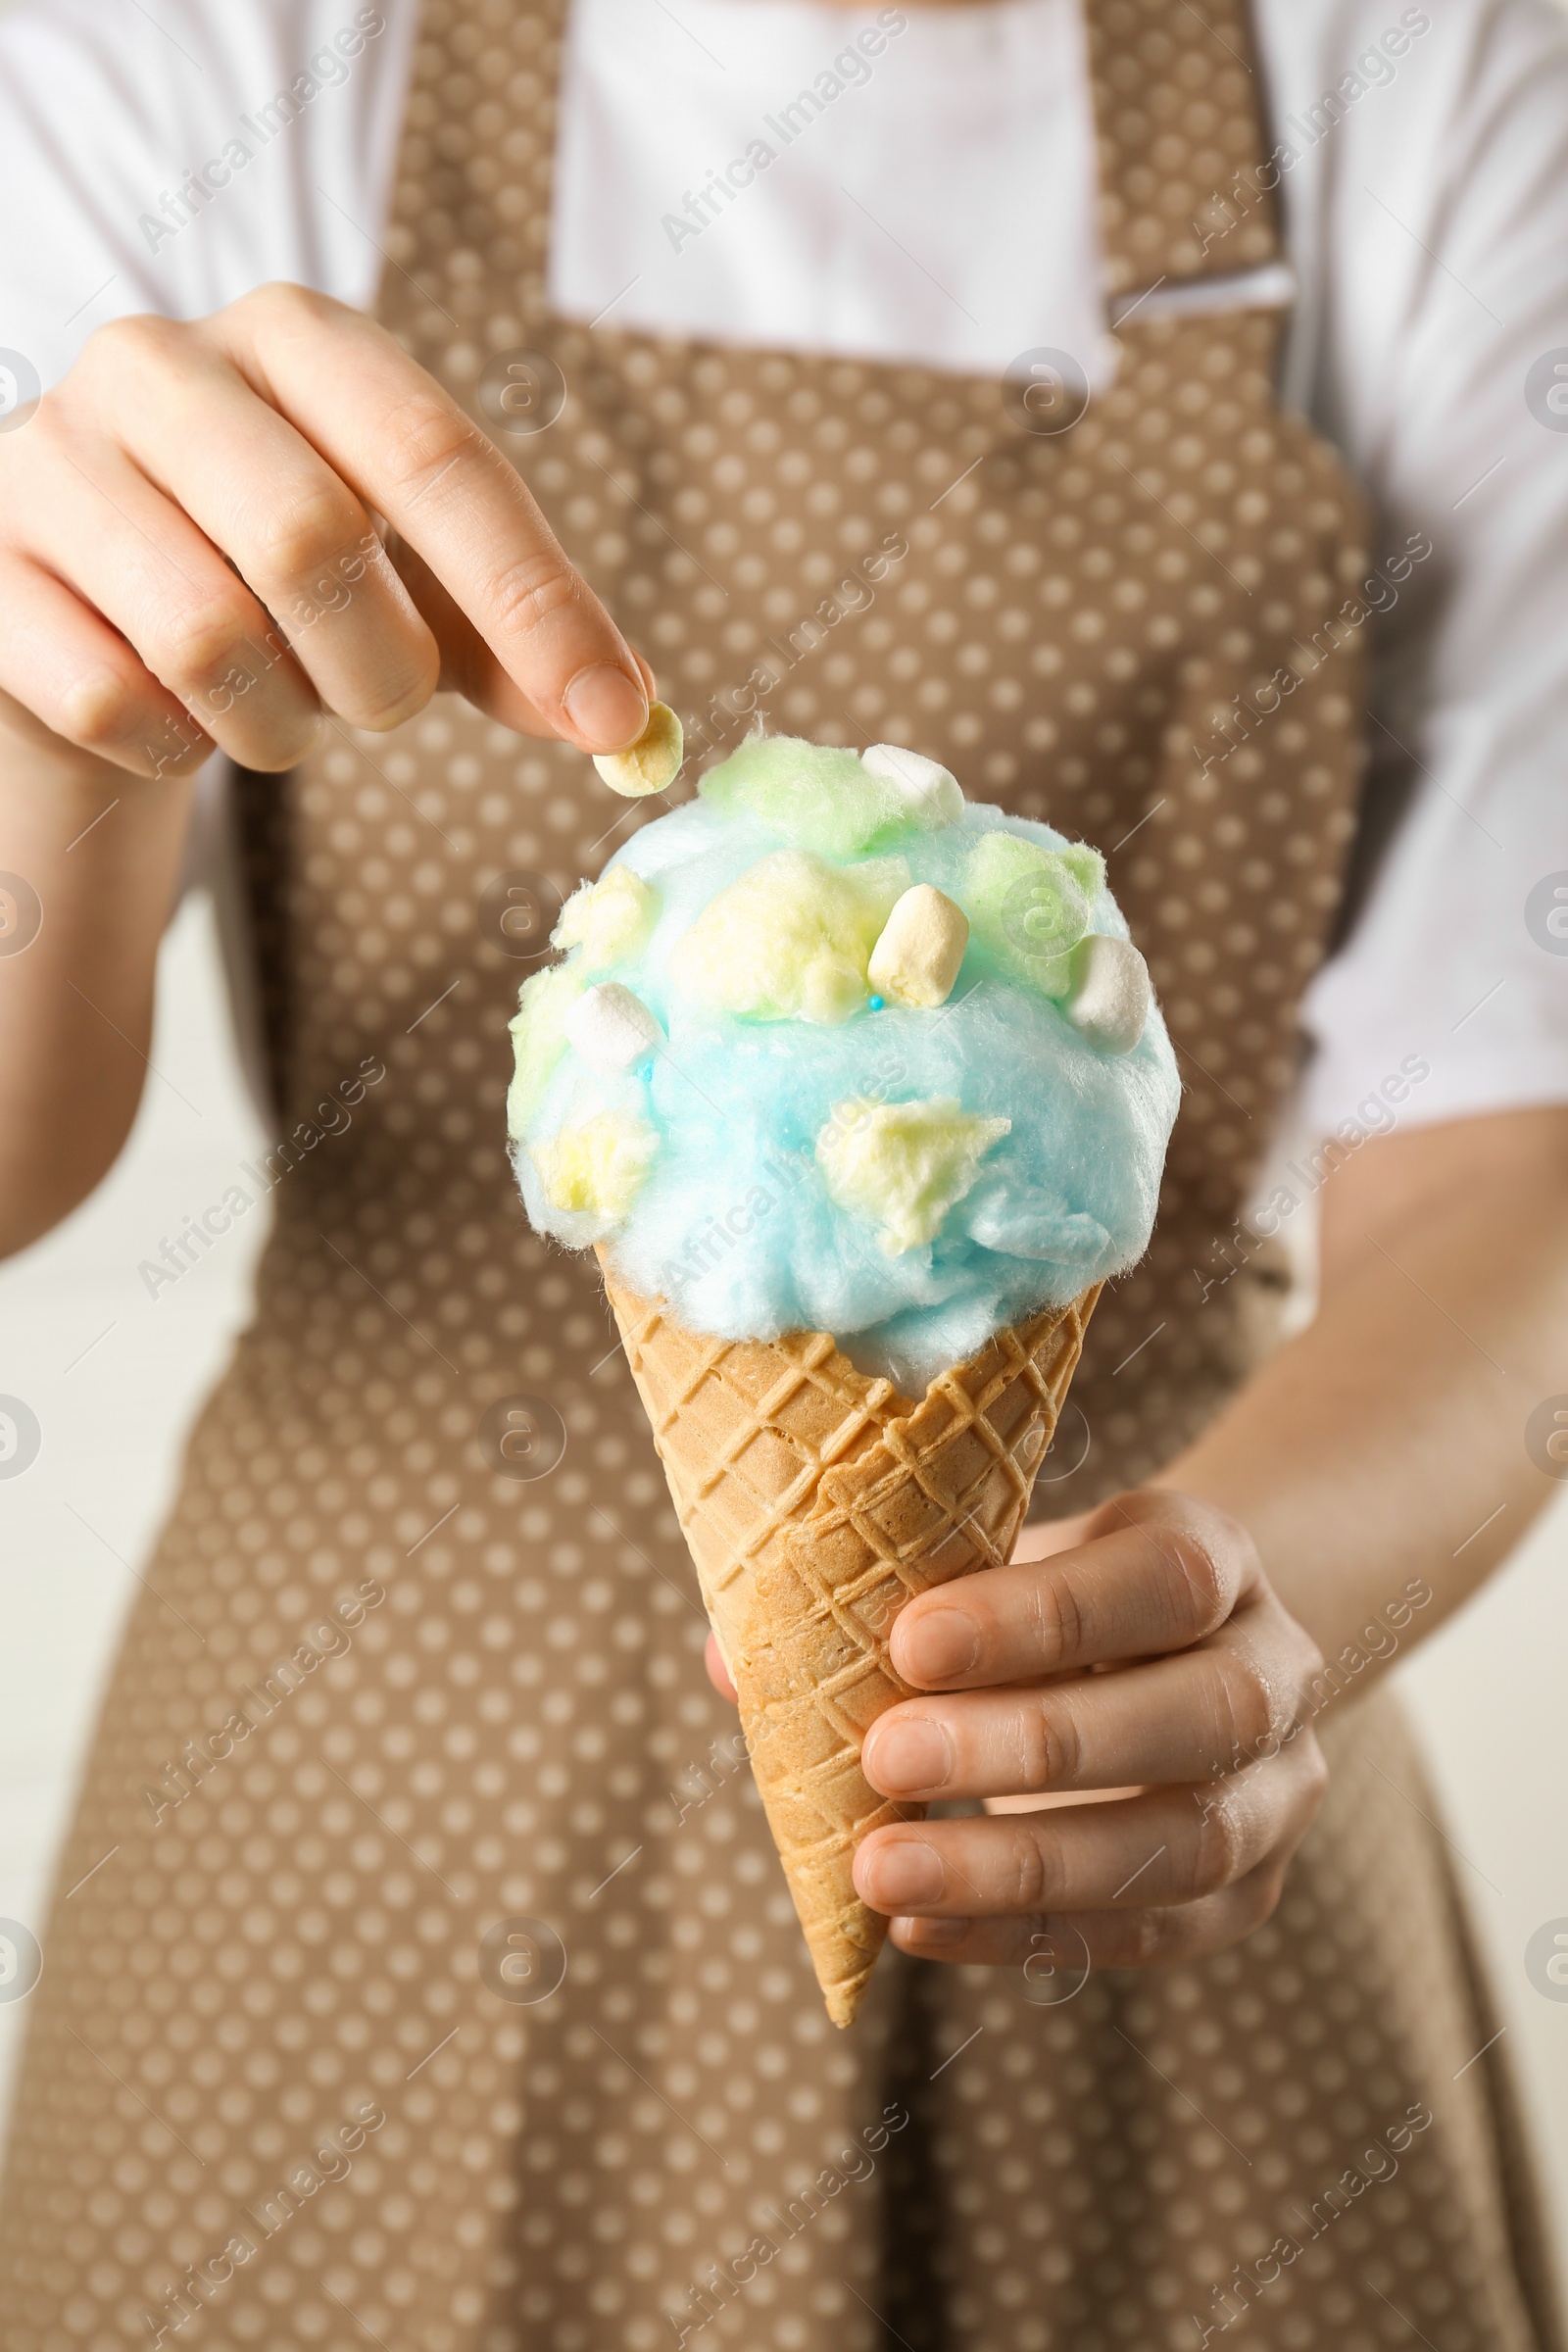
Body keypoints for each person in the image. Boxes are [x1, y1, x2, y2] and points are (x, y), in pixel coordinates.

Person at [0, 0, 1565, 2344]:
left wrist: (1277, 1615)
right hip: (340, 1838)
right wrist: (42, 730)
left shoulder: (1425, 69)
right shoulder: (204, 49)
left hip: (1147, 1767)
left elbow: (1503, 1139)